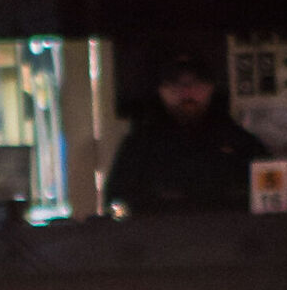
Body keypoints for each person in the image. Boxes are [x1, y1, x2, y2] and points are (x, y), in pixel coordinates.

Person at [105, 50, 265, 215]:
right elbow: (117, 207)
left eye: (197, 82)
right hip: (159, 237)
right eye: (176, 83)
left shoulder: (242, 145)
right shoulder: (138, 148)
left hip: (228, 238)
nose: (187, 91)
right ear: (162, 90)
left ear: (211, 87)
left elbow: (269, 205)